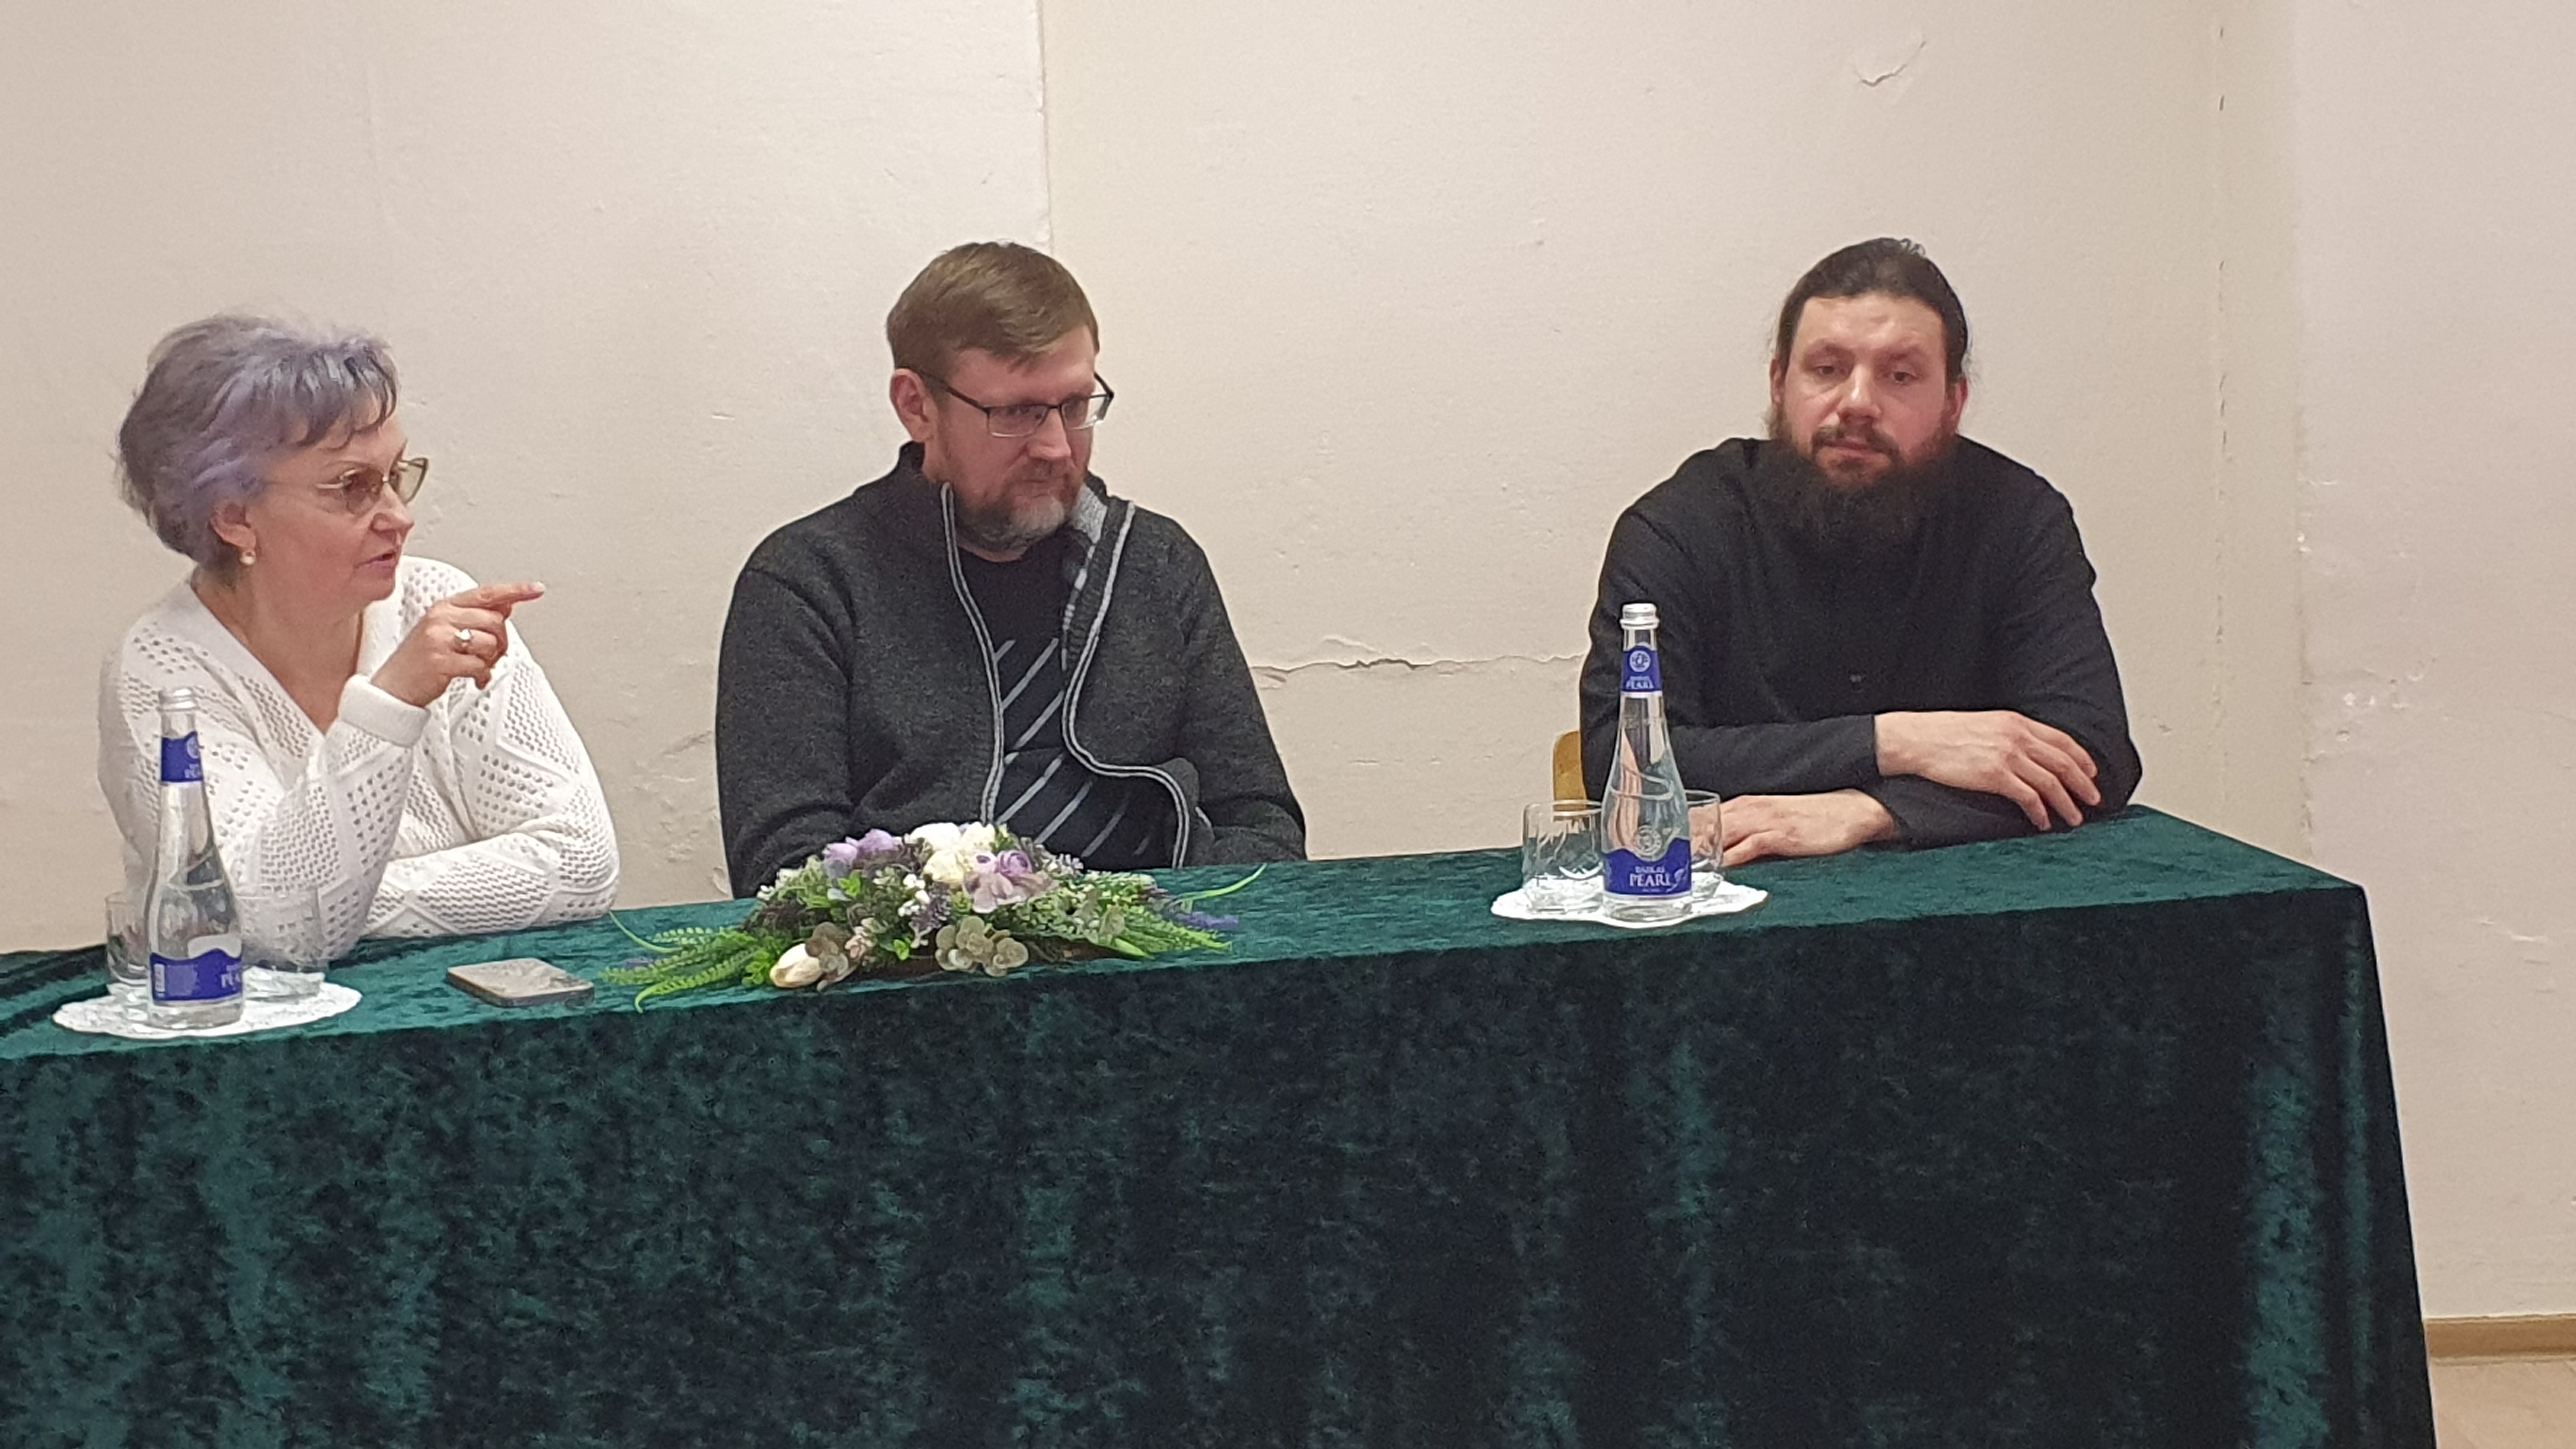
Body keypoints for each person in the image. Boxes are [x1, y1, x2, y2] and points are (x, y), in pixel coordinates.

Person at [716, 242, 1304, 894]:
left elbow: (1261, 825)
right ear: (917, 406)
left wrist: (1161, 927)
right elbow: (787, 872)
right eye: (1017, 413)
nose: (1055, 447)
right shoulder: (810, 583)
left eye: (1075, 406)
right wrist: (1008, 927)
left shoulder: (1157, 563)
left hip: (1163, 934)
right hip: (921, 953)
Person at [1581, 238, 2141, 866]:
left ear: (1953, 403)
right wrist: (1894, 743)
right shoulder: (1677, 527)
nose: (1857, 403)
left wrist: (1871, 812)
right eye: (1826, 369)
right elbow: (1622, 764)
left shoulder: (2018, 519)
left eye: (1900, 376)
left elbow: (2091, 758)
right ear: (1779, 384)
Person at [98, 315, 619, 959]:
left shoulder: (433, 600)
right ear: (234, 517)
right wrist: (391, 702)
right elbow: (267, 933)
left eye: (396, 475)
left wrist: (333, 902)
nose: (399, 517)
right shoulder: (162, 673)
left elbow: (582, 862)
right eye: (354, 487)